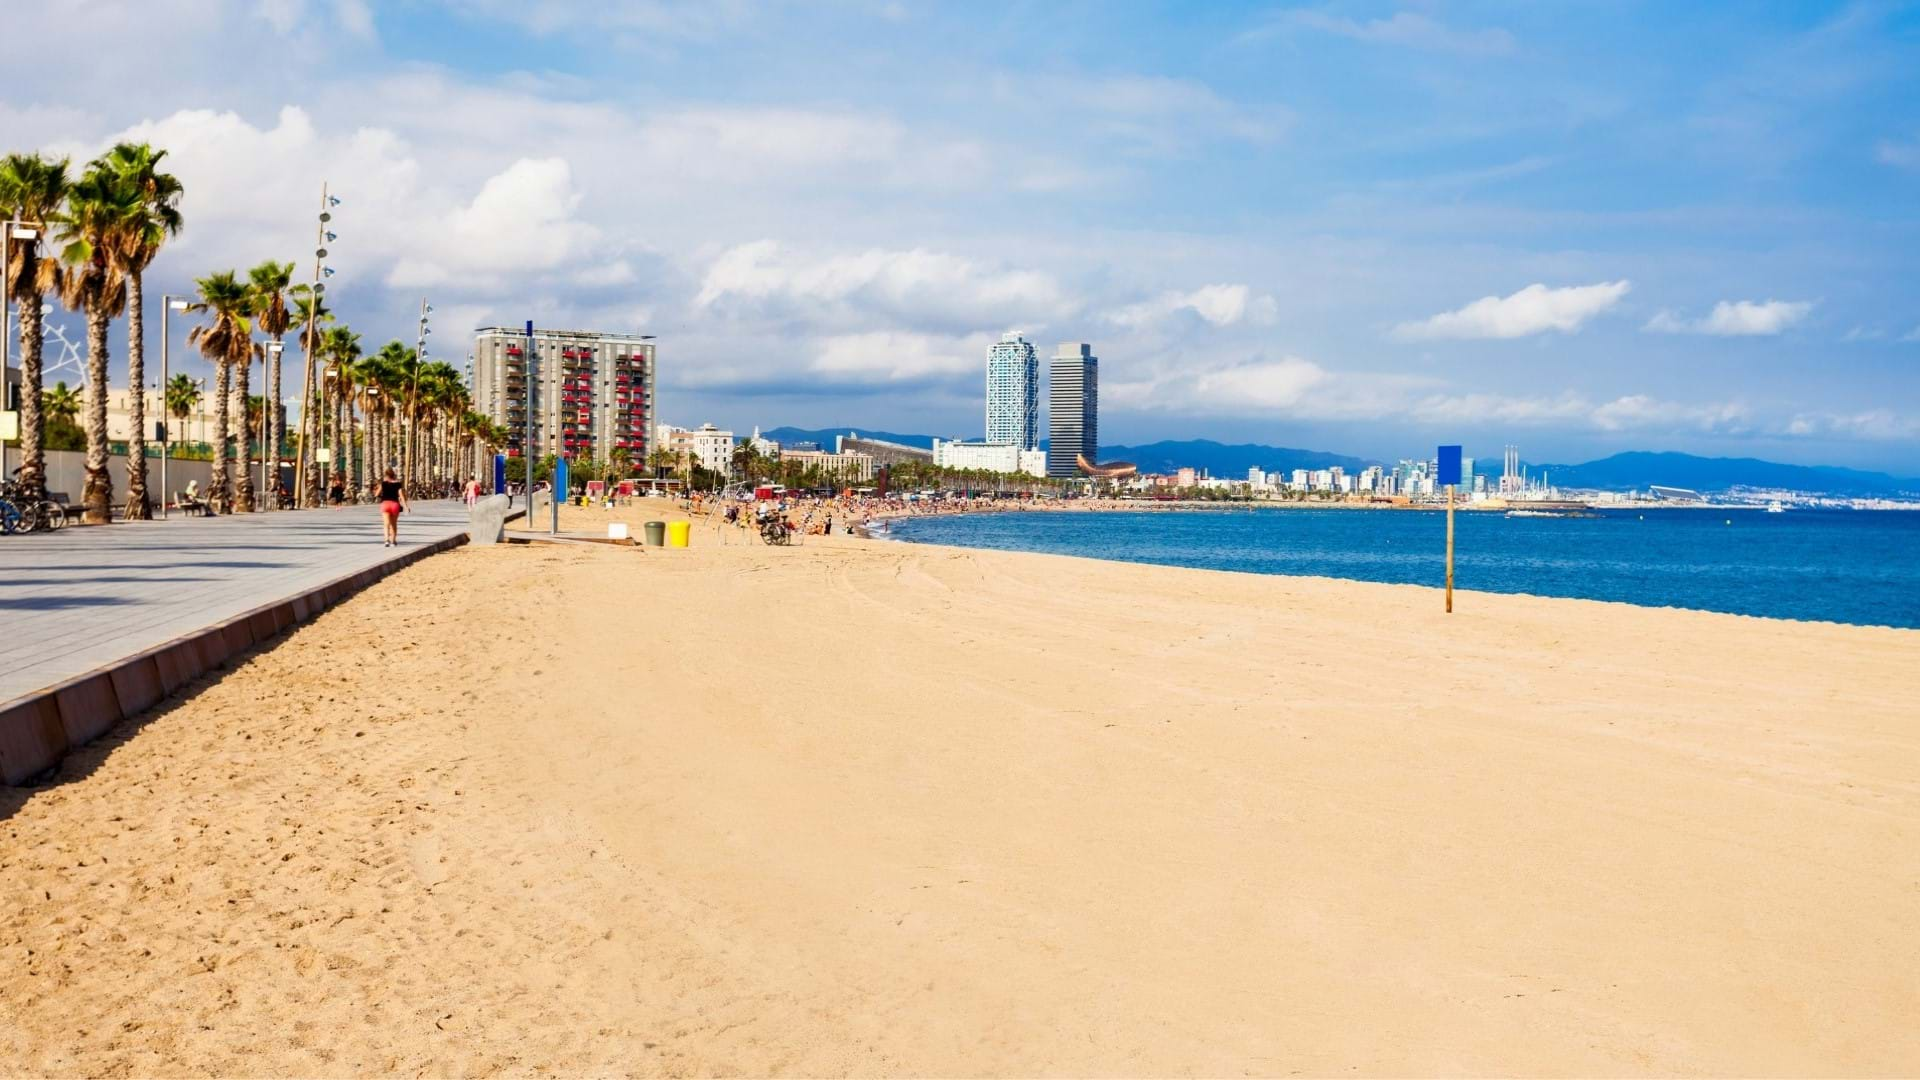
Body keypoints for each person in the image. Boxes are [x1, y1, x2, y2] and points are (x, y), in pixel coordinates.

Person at [376, 467, 408, 547]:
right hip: (395, 505)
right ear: (394, 475)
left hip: (385, 504)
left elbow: (376, 494)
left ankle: (386, 540)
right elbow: (401, 496)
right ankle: (393, 541)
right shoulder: (398, 484)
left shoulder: (383, 483)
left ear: (386, 475)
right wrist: (406, 506)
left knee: (386, 524)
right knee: (393, 524)